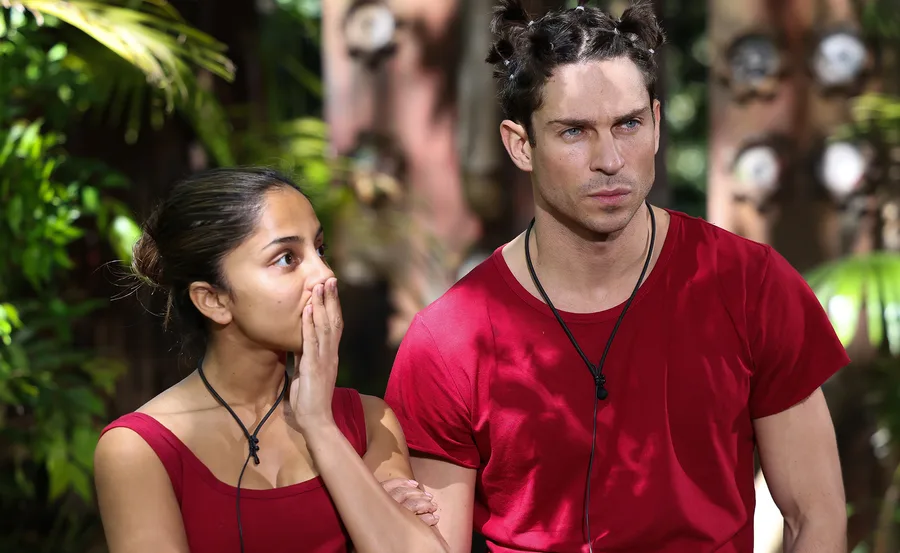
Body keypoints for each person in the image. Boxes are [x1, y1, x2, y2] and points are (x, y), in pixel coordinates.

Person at [383, 1, 849, 552]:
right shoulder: (448, 340)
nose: (610, 159)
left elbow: (816, 518)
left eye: (628, 124)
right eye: (574, 132)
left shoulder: (751, 285)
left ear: (655, 124)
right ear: (520, 145)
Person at [93, 167, 448, 553]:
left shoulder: (367, 421)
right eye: (286, 258)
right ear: (213, 300)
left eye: (321, 250)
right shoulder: (140, 449)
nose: (324, 275)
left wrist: (318, 423)